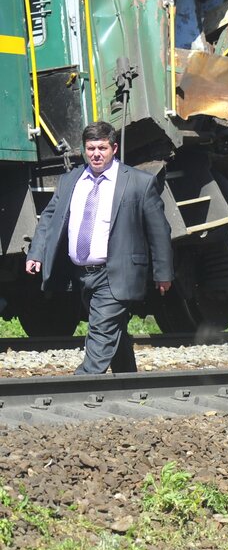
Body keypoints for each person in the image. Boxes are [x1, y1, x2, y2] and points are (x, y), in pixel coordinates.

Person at [24, 121, 173, 374]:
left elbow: (159, 231)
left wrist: (163, 273)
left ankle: (81, 383)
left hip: (116, 271)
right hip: (81, 274)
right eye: (91, 148)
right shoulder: (70, 180)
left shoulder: (139, 183)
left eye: (102, 148)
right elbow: (50, 217)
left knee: (101, 328)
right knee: (113, 330)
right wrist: (36, 252)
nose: (96, 154)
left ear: (113, 148)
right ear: (84, 150)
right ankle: (128, 382)